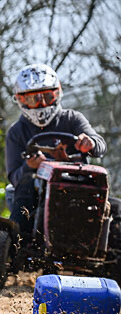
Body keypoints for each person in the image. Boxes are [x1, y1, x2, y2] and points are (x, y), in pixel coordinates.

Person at [6, 63, 106, 242]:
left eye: (46, 97)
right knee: (25, 192)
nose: (41, 104)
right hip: (35, 193)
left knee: (115, 210)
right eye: (33, 99)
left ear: (57, 93)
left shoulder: (72, 119)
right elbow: (14, 177)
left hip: (78, 186)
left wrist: (90, 143)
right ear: (20, 100)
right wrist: (29, 167)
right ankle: (19, 247)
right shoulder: (17, 132)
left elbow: (100, 145)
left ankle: (106, 248)